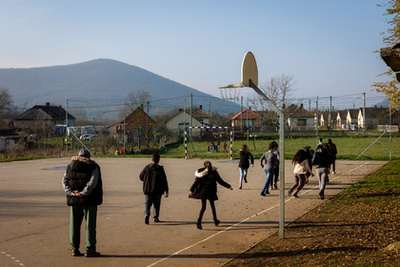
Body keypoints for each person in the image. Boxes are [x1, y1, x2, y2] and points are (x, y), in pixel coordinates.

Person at [62, 149, 103, 257]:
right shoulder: (93, 166)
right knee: (90, 225)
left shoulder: (70, 166)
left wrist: (71, 193)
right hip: (90, 199)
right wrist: (84, 193)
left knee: (74, 225)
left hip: (74, 200)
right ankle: (90, 248)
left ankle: (74, 247)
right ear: (88, 157)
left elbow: (64, 181)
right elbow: (93, 182)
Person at [189, 161, 232, 230]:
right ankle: (215, 221)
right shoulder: (214, 172)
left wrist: (191, 190)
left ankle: (199, 221)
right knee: (212, 206)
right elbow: (220, 181)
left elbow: (196, 182)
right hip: (211, 191)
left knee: (203, 207)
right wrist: (228, 186)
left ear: (204, 166)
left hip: (203, 192)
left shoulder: (200, 173)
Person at [139, 153, 169, 224]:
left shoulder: (147, 167)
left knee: (147, 203)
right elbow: (164, 180)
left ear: (151, 159)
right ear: (159, 161)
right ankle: (155, 217)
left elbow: (140, 176)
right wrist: (166, 190)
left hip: (148, 189)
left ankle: (147, 213)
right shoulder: (160, 169)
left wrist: (146, 180)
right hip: (158, 190)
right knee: (157, 204)